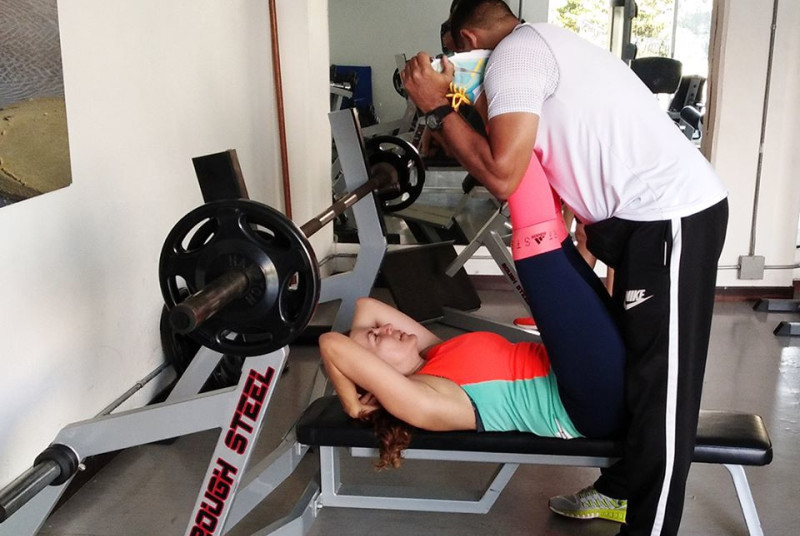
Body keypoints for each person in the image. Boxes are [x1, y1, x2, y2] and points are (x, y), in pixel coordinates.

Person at [399, 2, 728, 536]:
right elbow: (549, 148)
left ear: (466, 39)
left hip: (669, 217)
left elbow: (502, 174)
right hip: (637, 222)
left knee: (662, 392)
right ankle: (619, 488)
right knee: (631, 369)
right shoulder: (538, 44)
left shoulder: (513, 59)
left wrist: (437, 107)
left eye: (453, 56)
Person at [321, 154, 627, 469]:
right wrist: (353, 404)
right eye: (375, 337)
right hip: (584, 403)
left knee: (547, 231)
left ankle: (524, 151)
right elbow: (331, 343)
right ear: (375, 371)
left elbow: (366, 306)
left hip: (578, 374)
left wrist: (363, 362)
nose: (384, 327)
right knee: (542, 243)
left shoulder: (433, 352)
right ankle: (518, 152)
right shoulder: (425, 398)